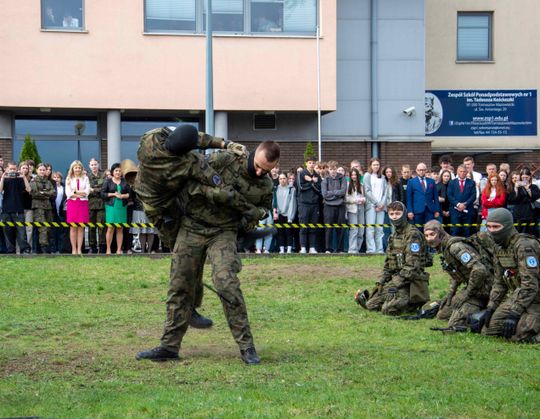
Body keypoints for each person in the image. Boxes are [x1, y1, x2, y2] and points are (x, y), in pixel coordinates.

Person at [136, 139, 280, 364]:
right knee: (180, 285)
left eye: (266, 170)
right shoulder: (223, 160)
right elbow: (189, 178)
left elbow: (263, 210)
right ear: (253, 155)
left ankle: (247, 347)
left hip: (224, 232)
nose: (260, 172)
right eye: (258, 166)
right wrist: (213, 194)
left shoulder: (265, 186)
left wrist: (251, 215)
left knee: (226, 282)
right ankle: (169, 346)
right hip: (192, 226)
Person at [355, 201, 430, 315]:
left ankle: (414, 303)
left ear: (404, 214)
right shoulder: (392, 237)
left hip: (411, 282)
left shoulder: (412, 234)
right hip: (397, 278)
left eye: (398, 213)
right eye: (392, 214)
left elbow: (412, 267)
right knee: (371, 305)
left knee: (388, 310)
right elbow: (388, 265)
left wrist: (393, 283)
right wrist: (381, 282)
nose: (395, 217)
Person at [477, 208, 540, 343]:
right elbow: (499, 282)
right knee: (489, 331)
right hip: (520, 294)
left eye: (496, 227)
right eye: (489, 227)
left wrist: (515, 313)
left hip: (536, 297)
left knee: (518, 336)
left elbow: (531, 285)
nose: (492, 231)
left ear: (507, 226)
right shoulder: (498, 247)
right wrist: (491, 307)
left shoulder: (524, 246)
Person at [424, 220, 494, 328]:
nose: (429, 239)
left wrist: (465, 293)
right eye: (427, 235)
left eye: (432, 234)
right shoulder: (444, 248)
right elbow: (455, 273)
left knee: (455, 324)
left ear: (441, 234)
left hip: (485, 288)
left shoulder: (455, 247)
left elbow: (479, 269)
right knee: (442, 315)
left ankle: (485, 308)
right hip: (474, 289)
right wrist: (450, 294)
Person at [0, 161, 31, 254]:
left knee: (21, 231)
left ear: (17, 169)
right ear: (7, 169)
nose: (12, 171)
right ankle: (11, 250)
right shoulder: (5, 179)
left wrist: (23, 177)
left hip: (18, 209)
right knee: (7, 231)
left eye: (14, 169)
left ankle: (24, 249)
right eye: (11, 169)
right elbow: (0, 190)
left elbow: (29, 189)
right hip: (6, 210)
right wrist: (3, 177)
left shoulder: (20, 179)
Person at [101, 163, 131, 255]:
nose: (118, 172)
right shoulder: (108, 181)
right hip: (111, 207)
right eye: (116, 170)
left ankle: (119, 250)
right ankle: (108, 249)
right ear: (112, 172)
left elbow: (130, 194)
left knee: (120, 228)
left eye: (119, 170)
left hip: (122, 207)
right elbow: (102, 194)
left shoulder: (125, 181)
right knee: (110, 228)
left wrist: (122, 196)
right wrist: (113, 194)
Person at [297, 157, 322, 254]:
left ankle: (312, 247)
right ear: (306, 163)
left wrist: (311, 181)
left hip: (314, 205)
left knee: (313, 227)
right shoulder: (301, 174)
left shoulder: (317, 175)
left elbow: (319, 189)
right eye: (309, 163)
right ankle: (303, 247)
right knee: (303, 226)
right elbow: (301, 187)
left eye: (313, 163)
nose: (311, 164)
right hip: (304, 204)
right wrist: (312, 181)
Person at [29, 163, 56, 254]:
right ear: (36, 170)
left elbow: (53, 192)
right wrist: (46, 194)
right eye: (40, 170)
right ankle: (43, 248)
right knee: (42, 227)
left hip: (48, 206)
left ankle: (48, 247)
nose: (42, 171)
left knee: (48, 226)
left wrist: (43, 193)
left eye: (44, 170)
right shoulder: (33, 181)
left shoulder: (48, 182)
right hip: (38, 207)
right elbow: (34, 194)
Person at [65, 160, 90, 255]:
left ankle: (79, 249)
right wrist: (79, 193)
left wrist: (75, 192)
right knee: (73, 227)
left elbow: (86, 192)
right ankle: (73, 249)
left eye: (79, 167)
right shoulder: (69, 178)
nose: (77, 169)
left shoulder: (86, 178)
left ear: (81, 168)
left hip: (83, 204)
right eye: (76, 168)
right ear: (73, 169)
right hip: (72, 204)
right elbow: (68, 193)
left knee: (81, 227)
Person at [321, 160, 347, 253]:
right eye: (331, 169)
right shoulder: (325, 180)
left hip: (340, 205)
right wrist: (337, 193)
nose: (333, 171)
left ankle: (340, 249)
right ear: (328, 169)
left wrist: (331, 193)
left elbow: (343, 191)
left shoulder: (342, 178)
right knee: (329, 228)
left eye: (334, 169)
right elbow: (324, 194)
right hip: (328, 206)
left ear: (337, 169)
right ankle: (328, 248)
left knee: (340, 227)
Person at [506, 167, 540, 236]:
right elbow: (513, 199)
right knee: (519, 231)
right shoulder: (518, 186)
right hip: (519, 212)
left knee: (531, 232)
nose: (524, 179)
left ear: (530, 177)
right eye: (523, 177)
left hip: (531, 213)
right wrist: (516, 188)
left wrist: (528, 190)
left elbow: (535, 197)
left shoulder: (534, 187)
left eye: (526, 177)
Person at [363, 158, 388, 254]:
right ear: (370, 166)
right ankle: (371, 250)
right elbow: (367, 191)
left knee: (380, 229)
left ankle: (379, 249)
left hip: (381, 206)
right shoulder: (367, 176)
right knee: (370, 228)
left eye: (377, 164)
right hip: (371, 206)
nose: (376, 166)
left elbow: (385, 192)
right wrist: (376, 203)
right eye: (374, 164)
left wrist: (381, 204)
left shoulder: (382, 177)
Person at [406, 162, 440, 231]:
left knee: (430, 229)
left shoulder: (431, 181)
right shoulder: (411, 182)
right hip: (417, 210)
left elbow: (436, 197)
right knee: (418, 230)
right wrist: (410, 211)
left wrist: (436, 210)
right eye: (419, 170)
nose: (421, 171)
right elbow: (409, 198)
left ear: (426, 170)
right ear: (416, 170)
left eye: (423, 170)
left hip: (430, 210)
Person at [447, 164, 477, 237]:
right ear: (457, 172)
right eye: (461, 171)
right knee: (455, 229)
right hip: (455, 210)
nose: (462, 173)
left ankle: (466, 247)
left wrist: (465, 204)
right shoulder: (452, 182)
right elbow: (449, 195)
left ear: (467, 172)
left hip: (468, 210)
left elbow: (473, 196)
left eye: (464, 171)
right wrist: (458, 204)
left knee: (466, 230)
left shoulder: (471, 182)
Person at [273, 172, 296, 254]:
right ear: (278, 180)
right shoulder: (276, 189)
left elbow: (292, 203)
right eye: (280, 179)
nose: (282, 180)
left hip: (288, 214)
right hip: (279, 214)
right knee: (280, 232)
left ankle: (289, 249)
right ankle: (281, 249)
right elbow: (274, 202)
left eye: (284, 178)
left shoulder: (291, 189)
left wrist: (290, 216)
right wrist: (275, 212)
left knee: (289, 232)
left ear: (287, 179)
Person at [87, 158, 106, 254]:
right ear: (89, 166)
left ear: (98, 165)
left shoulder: (103, 176)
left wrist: (93, 190)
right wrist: (95, 190)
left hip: (101, 205)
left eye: (95, 164)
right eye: (92, 165)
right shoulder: (86, 177)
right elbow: (86, 190)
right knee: (91, 227)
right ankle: (92, 247)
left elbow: (104, 189)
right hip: (90, 205)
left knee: (102, 227)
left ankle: (102, 247)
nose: (94, 166)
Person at [345, 168, 365, 254]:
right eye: (352, 175)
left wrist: (363, 200)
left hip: (361, 209)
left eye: (355, 175)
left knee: (361, 230)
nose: (354, 176)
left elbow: (364, 197)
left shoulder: (361, 185)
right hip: (352, 210)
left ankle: (357, 248)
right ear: (350, 176)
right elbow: (346, 199)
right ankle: (352, 250)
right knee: (354, 230)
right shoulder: (347, 185)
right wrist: (355, 200)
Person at [50, 171, 67, 254]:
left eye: (58, 177)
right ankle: (53, 249)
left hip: (61, 211)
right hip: (52, 211)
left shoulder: (64, 188)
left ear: (61, 179)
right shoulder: (51, 187)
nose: (56, 179)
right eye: (54, 177)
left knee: (61, 232)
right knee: (53, 231)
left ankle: (61, 249)